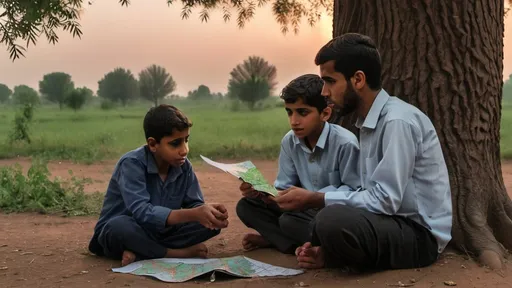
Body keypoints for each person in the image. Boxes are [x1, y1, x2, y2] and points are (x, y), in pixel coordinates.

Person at [275, 33, 453, 271]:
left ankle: (334, 252)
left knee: (329, 219)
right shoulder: (368, 123)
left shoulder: (396, 121)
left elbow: (385, 200)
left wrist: (318, 198)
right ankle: (330, 254)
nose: (325, 92)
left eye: (330, 81)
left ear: (357, 79)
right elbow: (367, 194)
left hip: (418, 236)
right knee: (317, 219)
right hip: (386, 223)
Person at [88, 104, 228, 266]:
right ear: (153, 144)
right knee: (119, 226)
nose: (184, 150)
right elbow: (142, 212)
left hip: (160, 232)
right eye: (175, 143)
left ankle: (142, 252)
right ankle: (173, 253)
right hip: (127, 230)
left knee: (209, 225)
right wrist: (194, 213)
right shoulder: (132, 164)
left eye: (186, 140)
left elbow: (195, 205)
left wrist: (208, 213)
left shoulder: (184, 166)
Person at [236, 74, 360, 255]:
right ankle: (290, 243)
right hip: (299, 210)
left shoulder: (345, 143)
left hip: (329, 213)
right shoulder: (289, 141)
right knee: (246, 206)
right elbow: (284, 187)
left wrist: (314, 197)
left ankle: (281, 240)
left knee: (289, 221)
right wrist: (262, 193)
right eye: (289, 112)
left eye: (303, 112)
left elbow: (356, 191)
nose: (294, 121)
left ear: (325, 113)